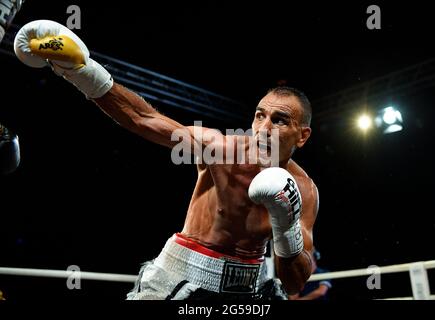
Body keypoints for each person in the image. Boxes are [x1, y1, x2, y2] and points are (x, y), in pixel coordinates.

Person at [13, 20, 319, 300]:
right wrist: (83, 71)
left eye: (279, 121)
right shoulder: (220, 149)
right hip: (183, 272)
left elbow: (294, 284)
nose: (263, 128)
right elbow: (143, 118)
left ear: (301, 136)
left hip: (247, 288)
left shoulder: (304, 190)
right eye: (259, 115)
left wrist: (287, 224)